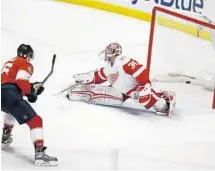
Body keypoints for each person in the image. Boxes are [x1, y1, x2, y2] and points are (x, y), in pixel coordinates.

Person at [66, 42, 176, 116]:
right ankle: (78, 93)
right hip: (121, 91)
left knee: (144, 97)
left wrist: (145, 85)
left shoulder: (123, 60)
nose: (106, 54)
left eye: (108, 52)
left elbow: (140, 70)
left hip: (135, 89)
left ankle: (165, 102)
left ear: (114, 53)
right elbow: (98, 76)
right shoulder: (109, 67)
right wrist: (86, 78)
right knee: (100, 94)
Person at [1, 44, 58, 166]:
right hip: (11, 94)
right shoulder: (25, 63)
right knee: (36, 121)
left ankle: (5, 138)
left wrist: (32, 87)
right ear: (28, 55)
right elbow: (21, 81)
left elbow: (12, 82)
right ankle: (40, 155)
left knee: (11, 110)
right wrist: (31, 93)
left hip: (3, 95)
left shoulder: (11, 62)